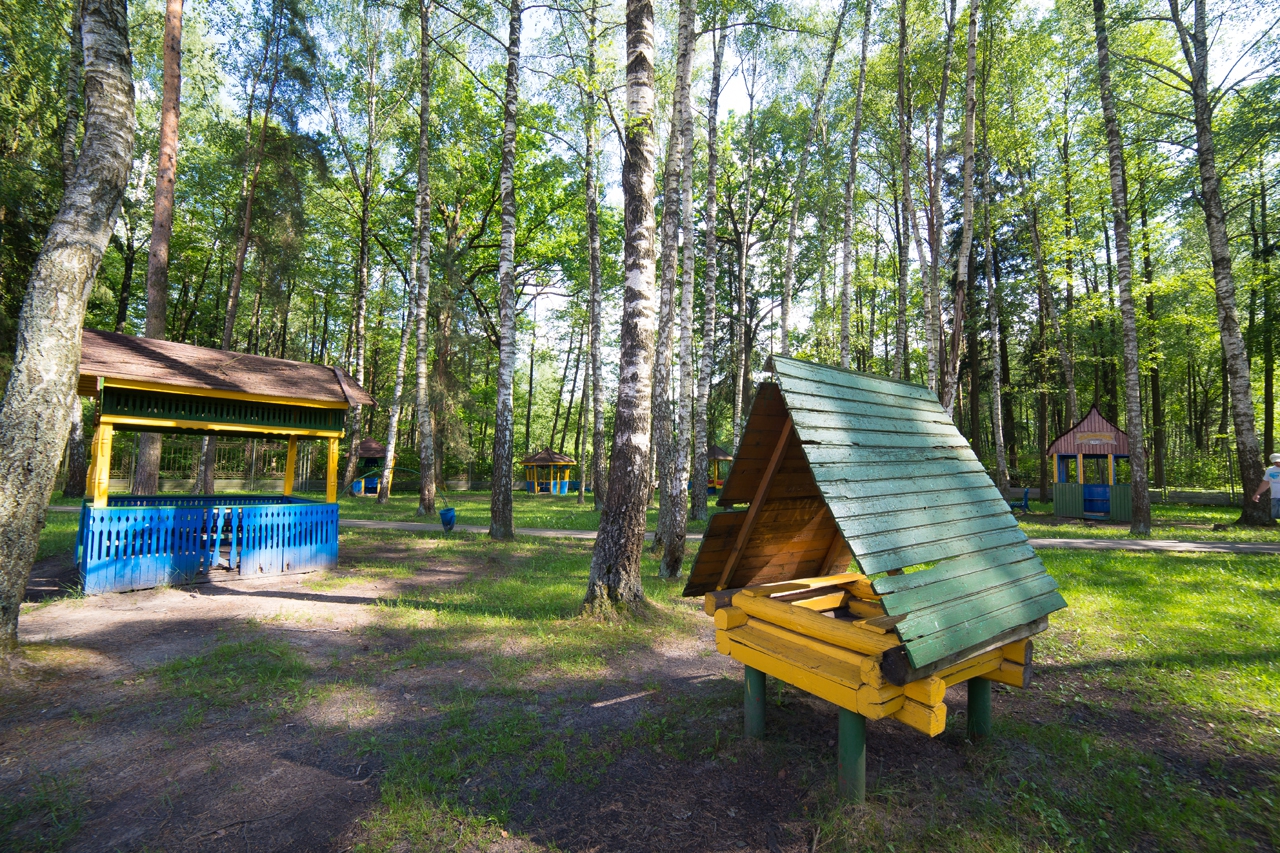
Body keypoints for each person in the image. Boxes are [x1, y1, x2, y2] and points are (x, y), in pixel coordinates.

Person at [1250, 453, 1280, 519]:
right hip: (1275, 496)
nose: (1277, 464)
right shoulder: (1270, 470)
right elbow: (1265, 483)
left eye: (1279, 462)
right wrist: (1257, 494)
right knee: (1276, 516)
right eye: (1275, 462)